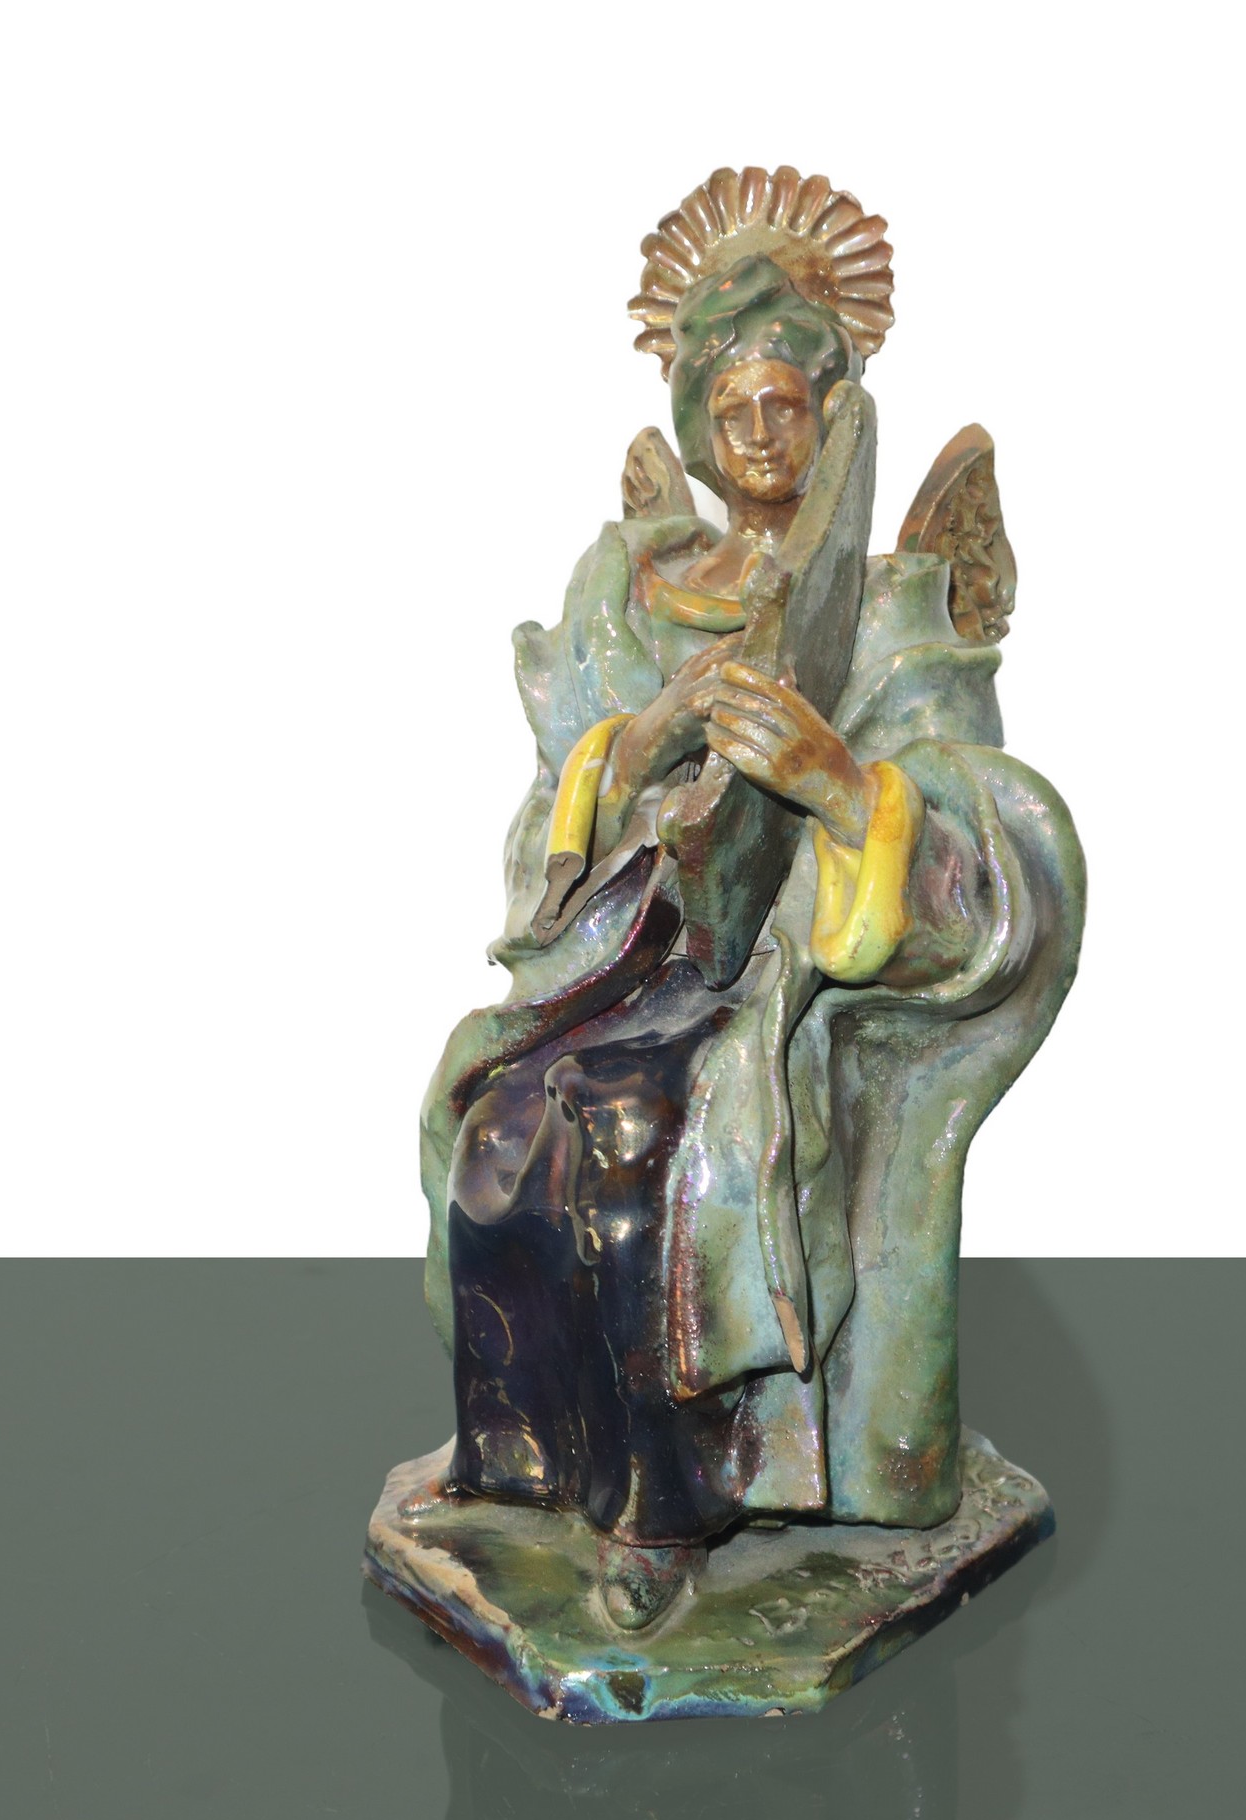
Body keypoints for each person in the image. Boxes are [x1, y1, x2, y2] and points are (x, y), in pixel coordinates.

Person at [416, 170, 1085, 1629]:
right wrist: (643, 746)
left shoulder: (891, 609)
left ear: (835, 408)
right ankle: (528, 1466)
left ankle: (666, 1510)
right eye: (734, 411)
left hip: (784, 995)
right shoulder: (633, 594)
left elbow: (990, 847)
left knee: (637, 1147)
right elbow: (549, 824)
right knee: (497, 1134)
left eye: (789, 405)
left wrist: (839, 784)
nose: (763, 437)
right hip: (622, 960)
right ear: (695, 421)